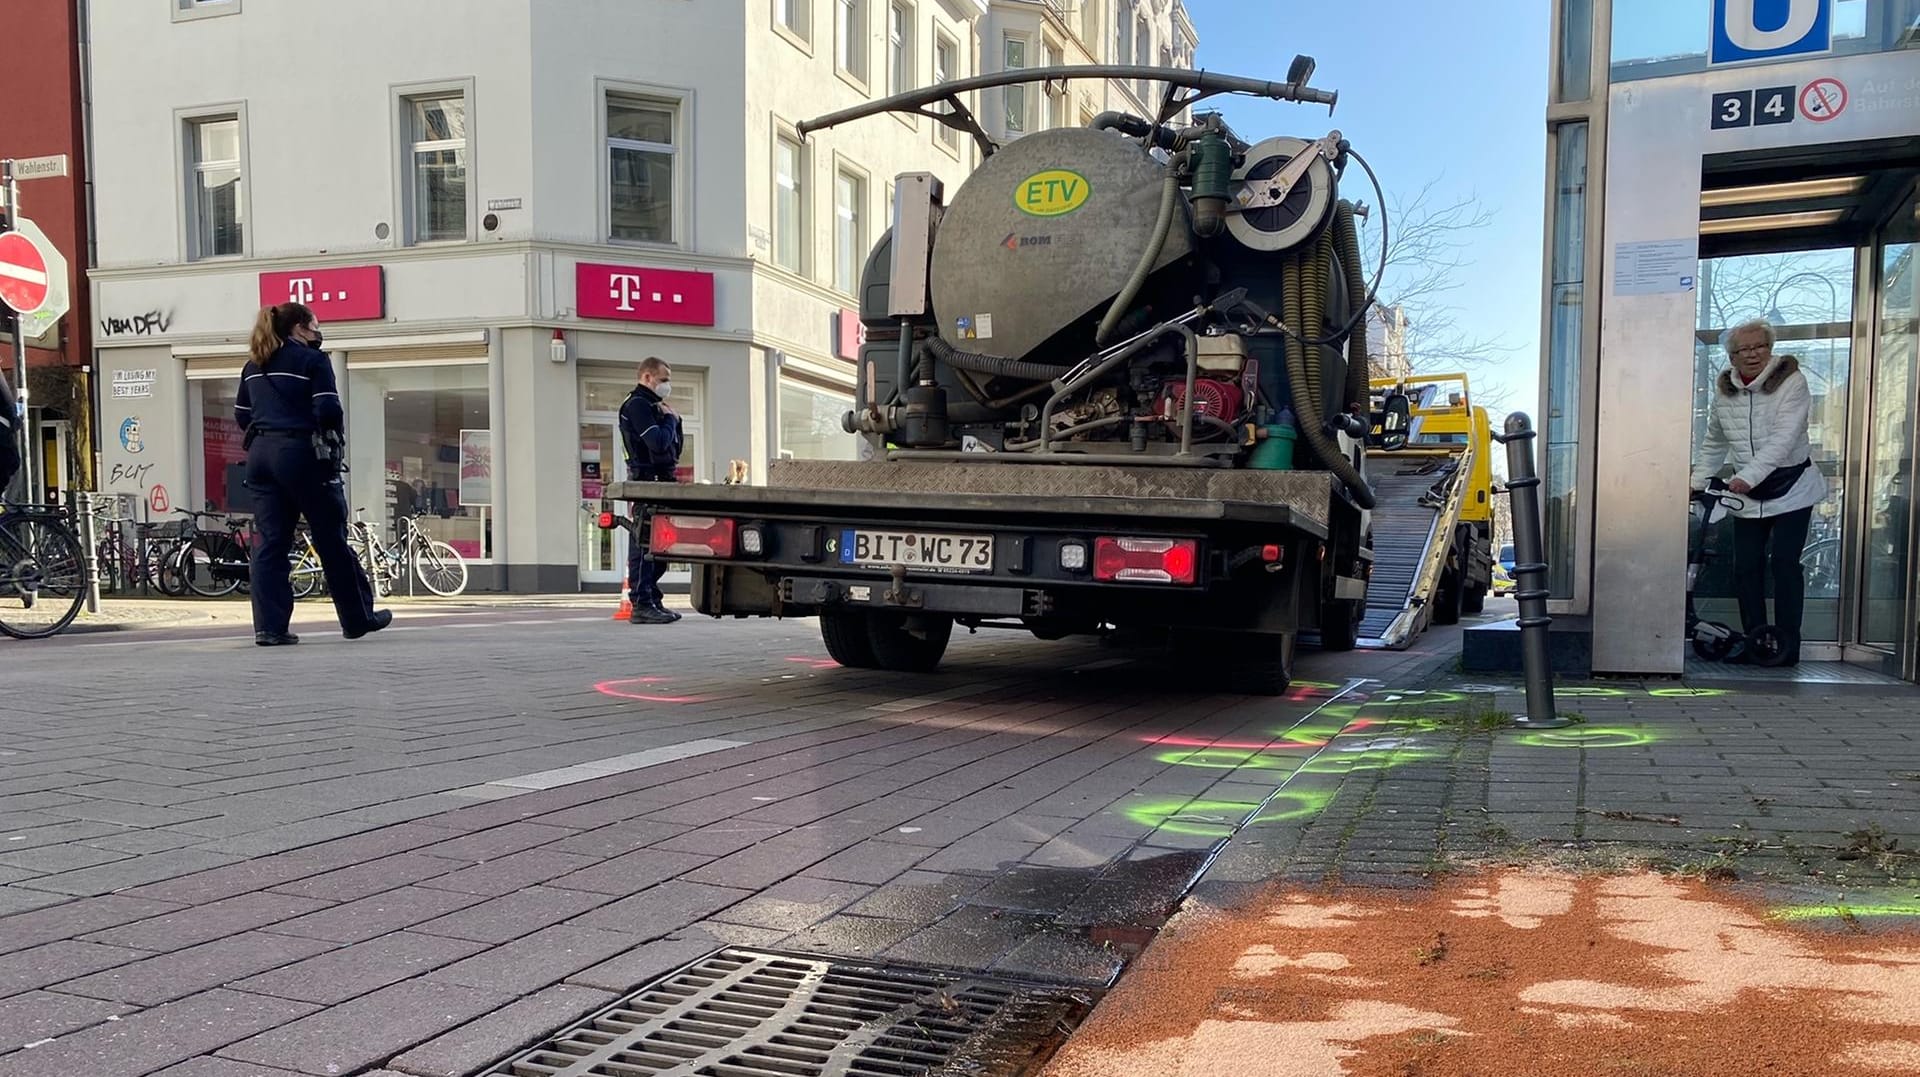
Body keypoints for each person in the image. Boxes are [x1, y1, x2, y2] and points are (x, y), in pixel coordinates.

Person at [236, 302, 390, 646]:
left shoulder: (253, 366)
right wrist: (327, 438)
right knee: (330, 537)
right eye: (315, 325)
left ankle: (269, 628)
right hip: (303, 454)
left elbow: (242, 415)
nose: (319, 333)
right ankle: (357, 618)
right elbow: (329, 408)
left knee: (271, 543)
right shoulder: (313, 361)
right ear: (300, 328)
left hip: (260, 456)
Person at [1690, 317, 1827, 665]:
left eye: (1759, 347)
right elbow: (1714, 442)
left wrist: (1746, 476)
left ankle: (1787, 646)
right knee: (1745, 566)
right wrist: (1695, 483)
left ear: (1770, 348)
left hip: (1791, 486)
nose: (1753, 354)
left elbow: (1785, 439)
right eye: (1743, 349)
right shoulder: (1725, 392)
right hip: (1747, 493)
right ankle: (1757, 643)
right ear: (1732, 357)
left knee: (1784, 563)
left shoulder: (1792, 383)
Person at [619, 356, 683, 625]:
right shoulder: (637, 405)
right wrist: (669, 422)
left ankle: (652, 598)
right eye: (663, 380)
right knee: (646, 541)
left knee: (660, 544)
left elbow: (673, 449)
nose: (667, 385)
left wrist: (673, 422)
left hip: (660, 480)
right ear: (647, 377)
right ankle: (642, 602)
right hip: (648, 481)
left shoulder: (655, 406)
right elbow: (657, 443)